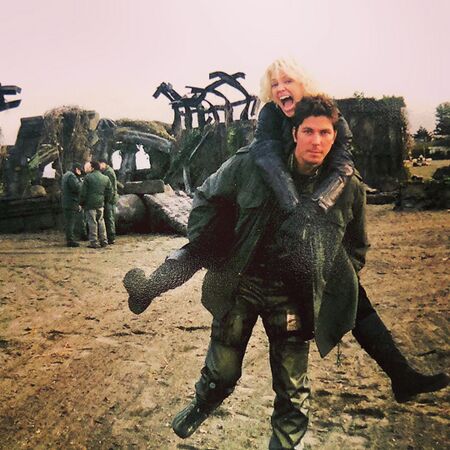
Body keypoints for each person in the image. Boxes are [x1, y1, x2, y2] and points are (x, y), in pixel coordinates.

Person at [123, 58, 448, 406]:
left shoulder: (326, 115)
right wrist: (293, 206)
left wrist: (315, 210)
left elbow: (343, 165)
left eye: (287, 80)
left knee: (349, 290)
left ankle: (401, 375)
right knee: (205, 245)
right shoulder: (270, 116)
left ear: (303, 83)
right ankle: (148, 288)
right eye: (274, 83)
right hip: (266, 206)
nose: (280, 88)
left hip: (313, 219)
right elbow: (265, 156)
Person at [127, 96, 365, 448]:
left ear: (335, 137)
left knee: (292, 388)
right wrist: (211, 242)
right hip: (242, 282)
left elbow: (356, 246)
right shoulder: (250, 165)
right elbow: (206, 196)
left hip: (294, 295)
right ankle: (203, 402)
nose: (316, 141)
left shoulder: (347, 186)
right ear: (294, 133)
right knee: (222, 373)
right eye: (309, 132)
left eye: (325, 133)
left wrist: (325, 280)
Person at [80, 160, 112, 249]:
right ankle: (104, 241)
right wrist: (105, 201)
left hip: (90, 204)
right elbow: (109, 192)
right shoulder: (105, 178)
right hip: (100, 204)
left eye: (89, 167)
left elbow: (83, 193)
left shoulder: (87, 178)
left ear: (92, 168)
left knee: (92, 223)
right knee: (101, 222)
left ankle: (94, 242)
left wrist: (81, 203)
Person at [61, 162, 83, 247]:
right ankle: (70, 241)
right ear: (77, 169)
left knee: (69, 222)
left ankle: (70, 239)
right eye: (80, 170)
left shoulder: (66, 174)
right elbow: (77, 188)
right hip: (71, 202)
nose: (80, 172)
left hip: (67, 202)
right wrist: (81, 182)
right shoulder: (71, 176)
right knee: (71, 222)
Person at [99, 158, 119, 244]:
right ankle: (110, 236)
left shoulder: (109, 172)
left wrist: (108, 199)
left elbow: (110, 188)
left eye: (100, 164)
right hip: (111, 198)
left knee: (109, 218)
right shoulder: (108, 171)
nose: (99, 166)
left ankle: (111, 237)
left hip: (110, 199)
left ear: (104, 163)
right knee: (109, 218)